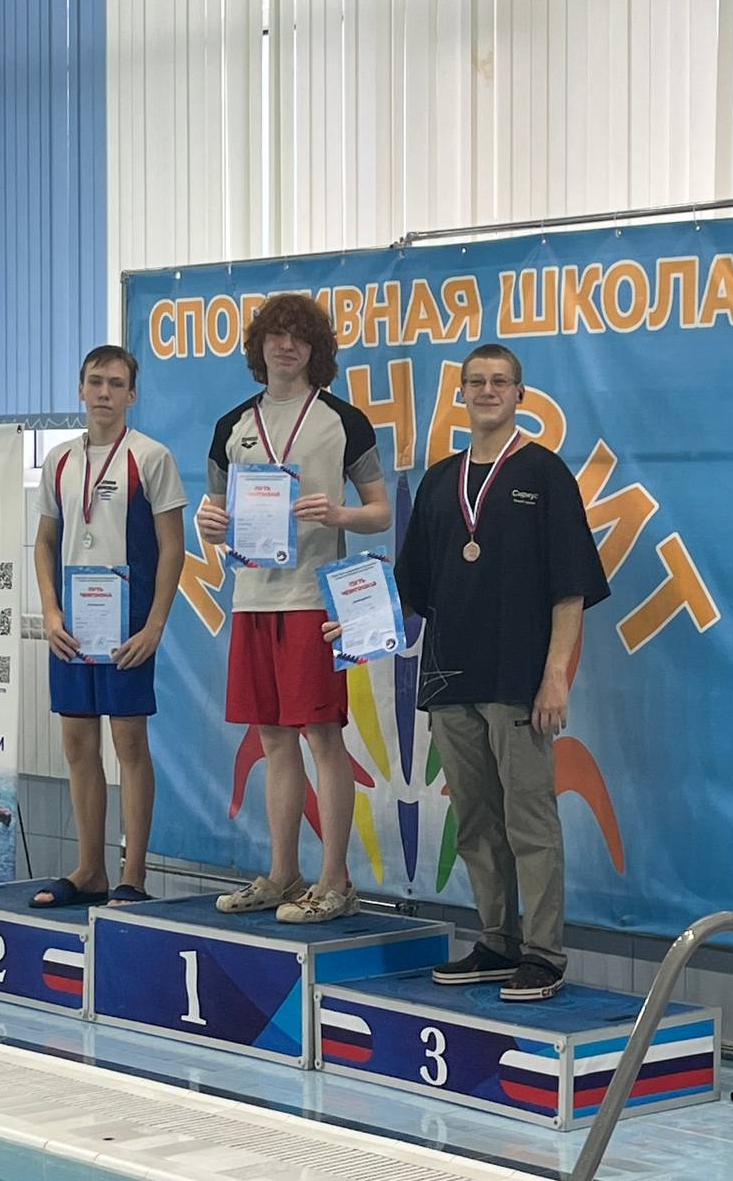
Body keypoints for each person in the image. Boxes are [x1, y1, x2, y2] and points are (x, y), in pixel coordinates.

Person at [393, 343, 610, 1001]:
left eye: (500, 381)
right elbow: (412, 588)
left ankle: (543, 952)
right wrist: (361, 622)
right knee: (477, 821)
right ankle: (496, 940)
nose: (487, 391)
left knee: (529, 821)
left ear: (520, 394)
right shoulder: (439, 480)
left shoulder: (544, 474)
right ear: (460, 394)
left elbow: (569, 591)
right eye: (476, 382)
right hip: (449, 679)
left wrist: (555, 677)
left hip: (518, 679)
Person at [197, 292, 390, 923]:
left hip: (314, 600)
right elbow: (216, 515)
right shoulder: (232, 426)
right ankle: (283, 874)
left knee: (323, 738)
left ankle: (336, 881)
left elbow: (381, 512)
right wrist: (209, 525)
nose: (286, 346)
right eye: (275, 335)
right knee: (274, 739)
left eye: (299, 337)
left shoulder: (343, 420)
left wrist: (338, 514)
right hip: (253, 601)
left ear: (316, 350)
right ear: (259, 346)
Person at [31, 345, 186, 908]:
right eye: (95, 381)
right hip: (73, 627)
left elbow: (173, 548)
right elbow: (45, 542)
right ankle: (90, 869)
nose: (104, 392)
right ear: (80, 389)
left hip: (127, 627)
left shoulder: (151, 457)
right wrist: (50, 611)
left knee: (129, 743)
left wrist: (155, 626)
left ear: (132, 395)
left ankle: (133, 876)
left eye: (116, 384)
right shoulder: (59, 460)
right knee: (77, 743)